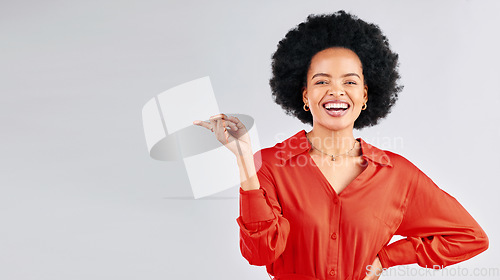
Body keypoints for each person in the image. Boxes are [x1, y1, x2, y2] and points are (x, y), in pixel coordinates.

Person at [193, 10, 488, 280]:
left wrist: (388, 257)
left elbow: (470, 237)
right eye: (322, 82)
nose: (336, 91)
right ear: (305, 95)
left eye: (349, 82)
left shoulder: (396, 175)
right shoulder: (270, 165)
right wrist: (245, 161)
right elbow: (260, 254)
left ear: (365, 94)